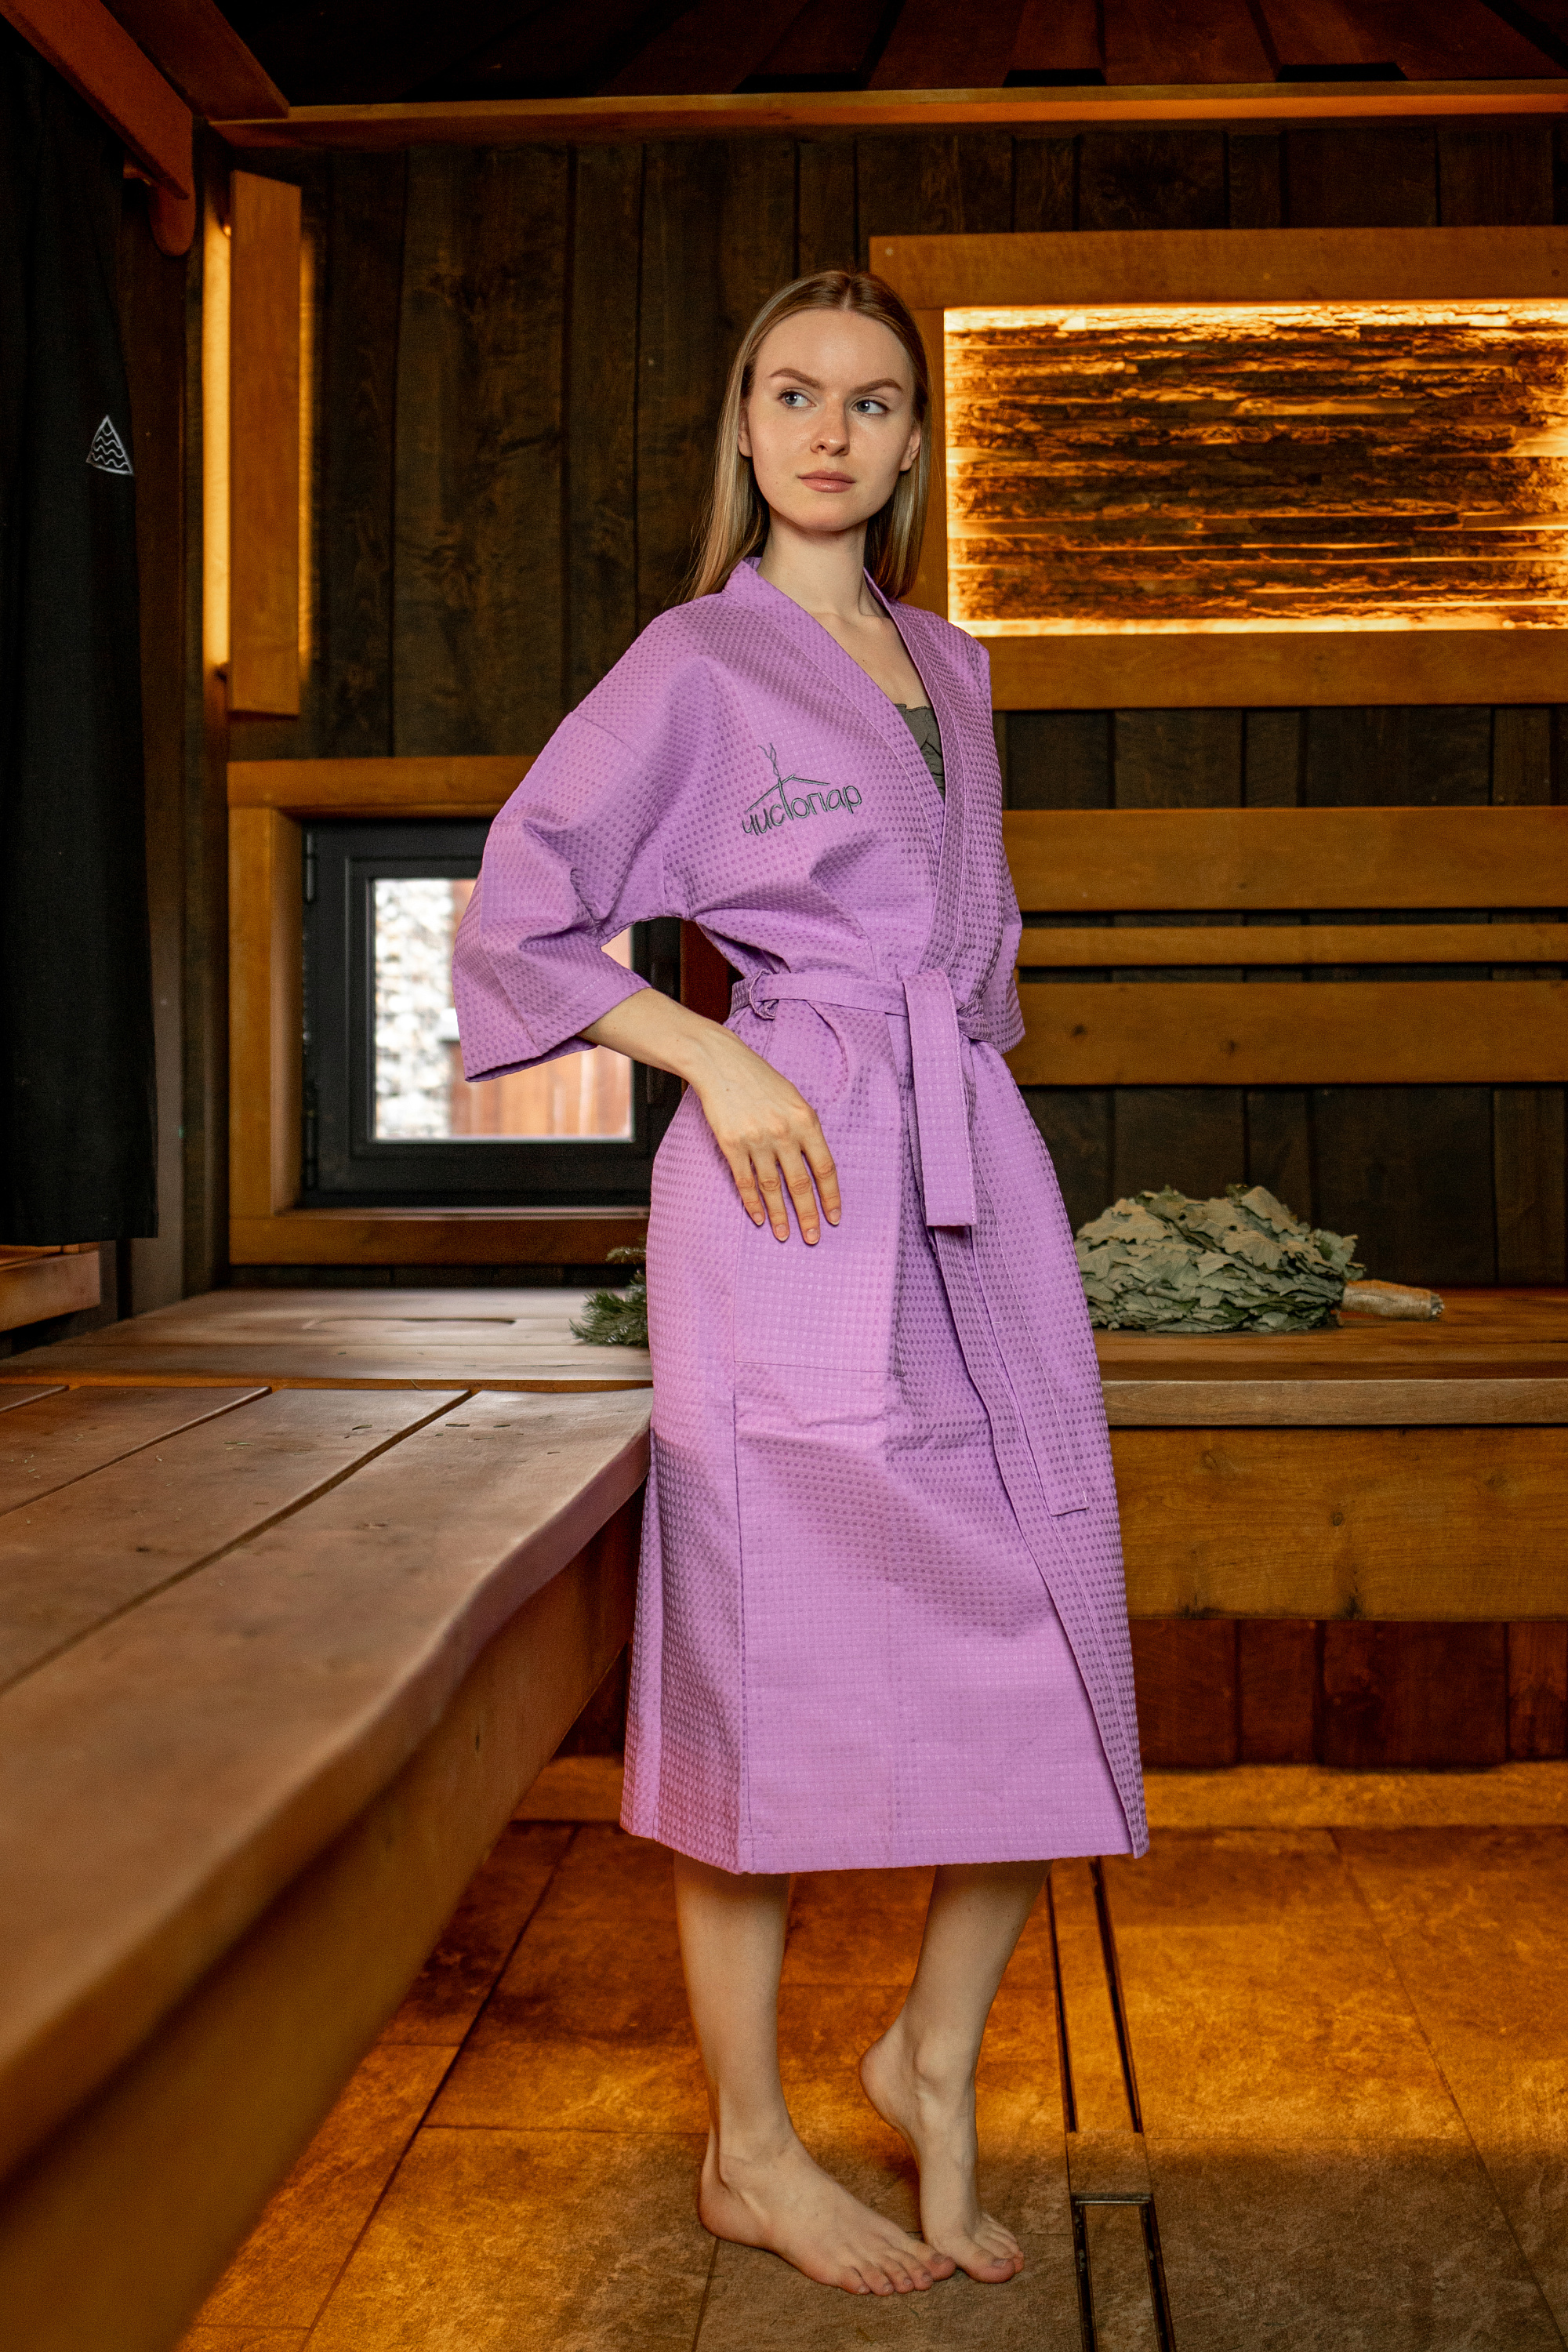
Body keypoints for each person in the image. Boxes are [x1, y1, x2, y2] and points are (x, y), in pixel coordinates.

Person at [454, 270, 1148, 2299]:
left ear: (917, 440)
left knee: (1048, 1606)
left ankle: (929, 2052)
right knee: (758, 1649)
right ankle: (747, 2148)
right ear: (744, 427)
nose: (829, 432)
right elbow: (519, 919)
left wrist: (953, 1105)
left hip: (967, 1172)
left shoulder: (955, 664)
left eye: (871, 400)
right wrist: (720, 1056)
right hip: (779, 1187)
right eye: (791, 393)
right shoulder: (693, 661)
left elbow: (978, 964)